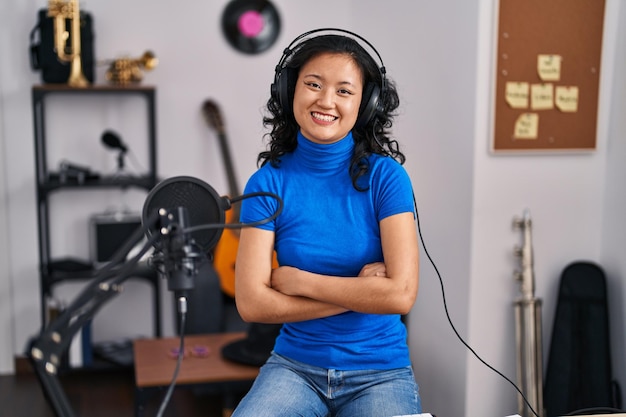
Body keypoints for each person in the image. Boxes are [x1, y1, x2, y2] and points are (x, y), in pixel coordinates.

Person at [233, 28, 421, 417]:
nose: (325, 101)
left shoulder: (386, 178)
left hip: (380, 371)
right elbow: (252, 303)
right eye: (313, 84)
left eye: (344, 90)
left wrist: (301, 283)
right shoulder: (267, 183)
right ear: (290, 91)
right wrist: (361, 294)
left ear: (365, 104)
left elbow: (401, 295)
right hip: (294, 367)